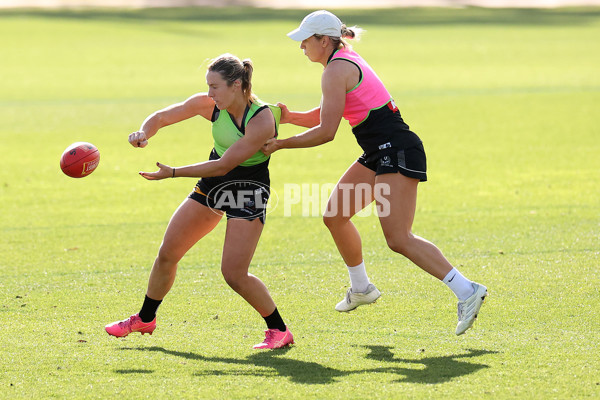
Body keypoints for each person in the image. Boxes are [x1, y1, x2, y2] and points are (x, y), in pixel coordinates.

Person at [263, 10, 487, 335]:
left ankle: (467, 290)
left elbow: (327, 131)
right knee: (335, 214)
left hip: (396, 151)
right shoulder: (340, 59)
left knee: (398, 238)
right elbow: (330, 111)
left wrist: (281, 145)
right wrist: (290, 116)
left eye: (305, 41)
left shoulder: (336, 68)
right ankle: (362, 288)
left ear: (323, 41)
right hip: (379, 152)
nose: (301, 47)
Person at [105, 54, 294, 349]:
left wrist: (174, 173)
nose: (209, 94)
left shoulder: (262, 119)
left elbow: (224, 165)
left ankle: (279, 330)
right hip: (212, 184)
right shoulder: (212, 106)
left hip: (247, 191)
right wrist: (144, 132)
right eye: (207, 86)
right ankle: (145, 318)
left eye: (215, 87)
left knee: (233, 273)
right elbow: (163, 116)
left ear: (237, 85)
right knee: (168, 252)